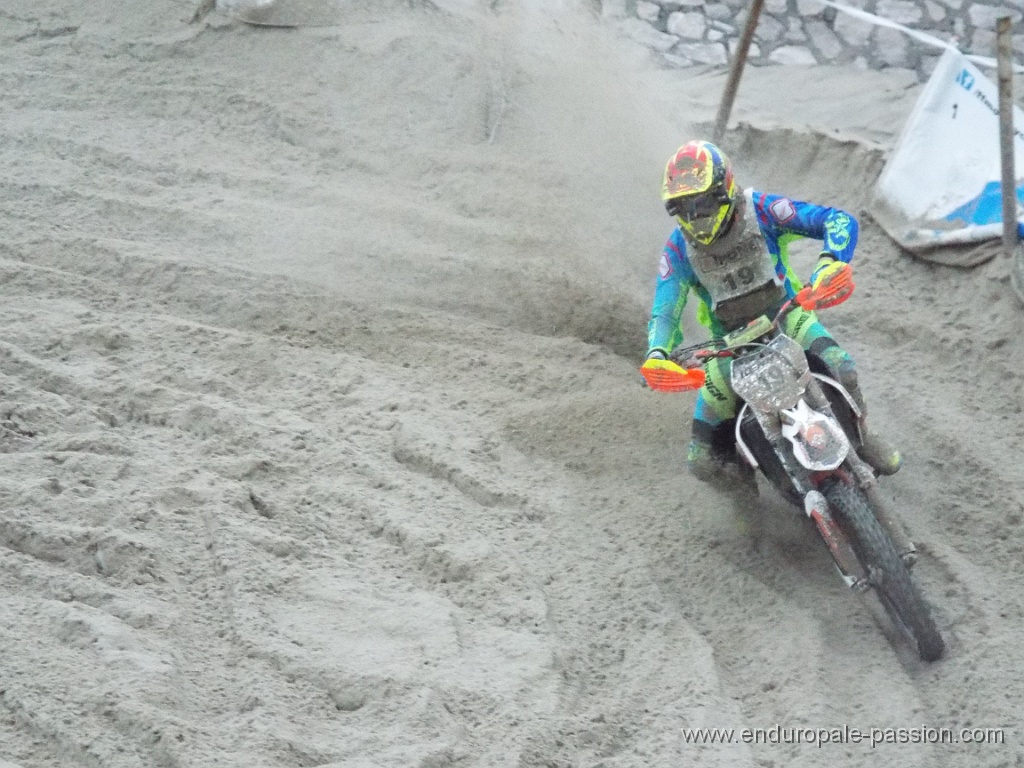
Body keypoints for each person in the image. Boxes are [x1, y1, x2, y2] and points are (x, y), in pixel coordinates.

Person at [642, 139, 901, 498]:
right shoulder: (677, 249)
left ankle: (863, 437)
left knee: (843, 366)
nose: (694, 217)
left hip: (786, 316)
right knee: (700, 459)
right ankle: (746, 500)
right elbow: (664, 308)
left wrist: (829, 262)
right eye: (682, 208)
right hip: (728, 349)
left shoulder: (761, 209)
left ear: (723, 189)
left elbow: (836, 220)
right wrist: (657, 353)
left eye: (701, 204)